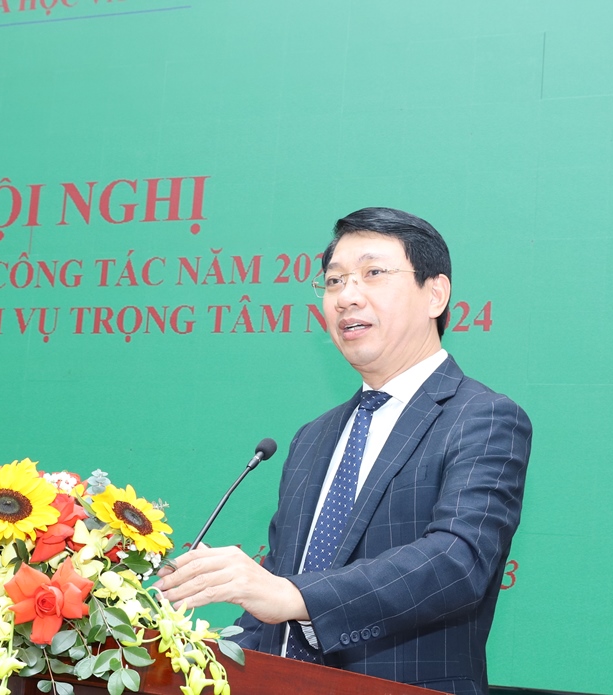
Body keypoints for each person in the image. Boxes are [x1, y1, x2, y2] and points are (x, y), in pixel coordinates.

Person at [154, 207, 531, 695]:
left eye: (373, 274)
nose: (347, 297)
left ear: (435, 294)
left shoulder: (482, 417)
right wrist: (198, 657)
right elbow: (275, 595)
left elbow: (457, 561)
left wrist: (292, 595)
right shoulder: (313, 437)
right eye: (334, 281)